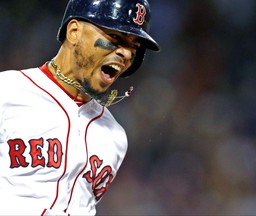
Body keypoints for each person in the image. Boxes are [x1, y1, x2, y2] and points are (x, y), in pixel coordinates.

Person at [0, 0, 160, 215]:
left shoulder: (115, 137)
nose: (127, 54)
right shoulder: (8, 91)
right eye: (115, 38)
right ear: (74, 31)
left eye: (134, 47)